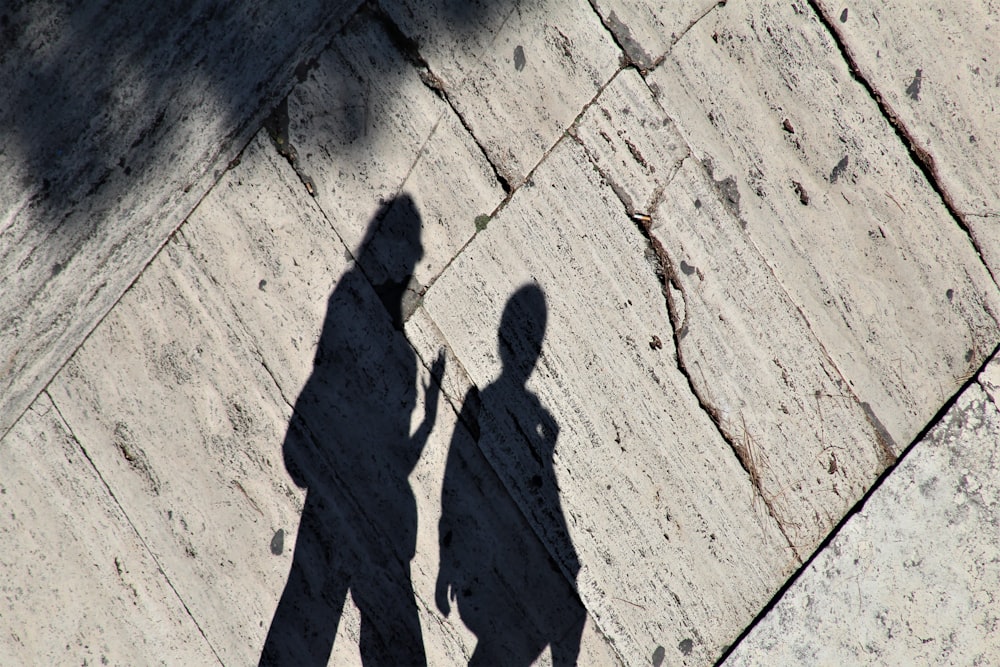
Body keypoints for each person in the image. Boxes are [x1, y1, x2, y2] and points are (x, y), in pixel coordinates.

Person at [260, 195, 443, 666]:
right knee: (322, 616)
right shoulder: (353, 305)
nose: (415, 260)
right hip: (349, 494)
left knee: (310, 612)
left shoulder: (357, 307)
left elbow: (393, 453)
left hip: (353, 495)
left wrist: (426, 422)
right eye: (413, 248)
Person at [436, 284, 585, 666]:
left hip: (499, 566)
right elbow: (455, 485)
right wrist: (447, 566)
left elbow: (453, 484)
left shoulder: (503, 401)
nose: (532, 355)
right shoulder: (489, 402)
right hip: (493, 566)